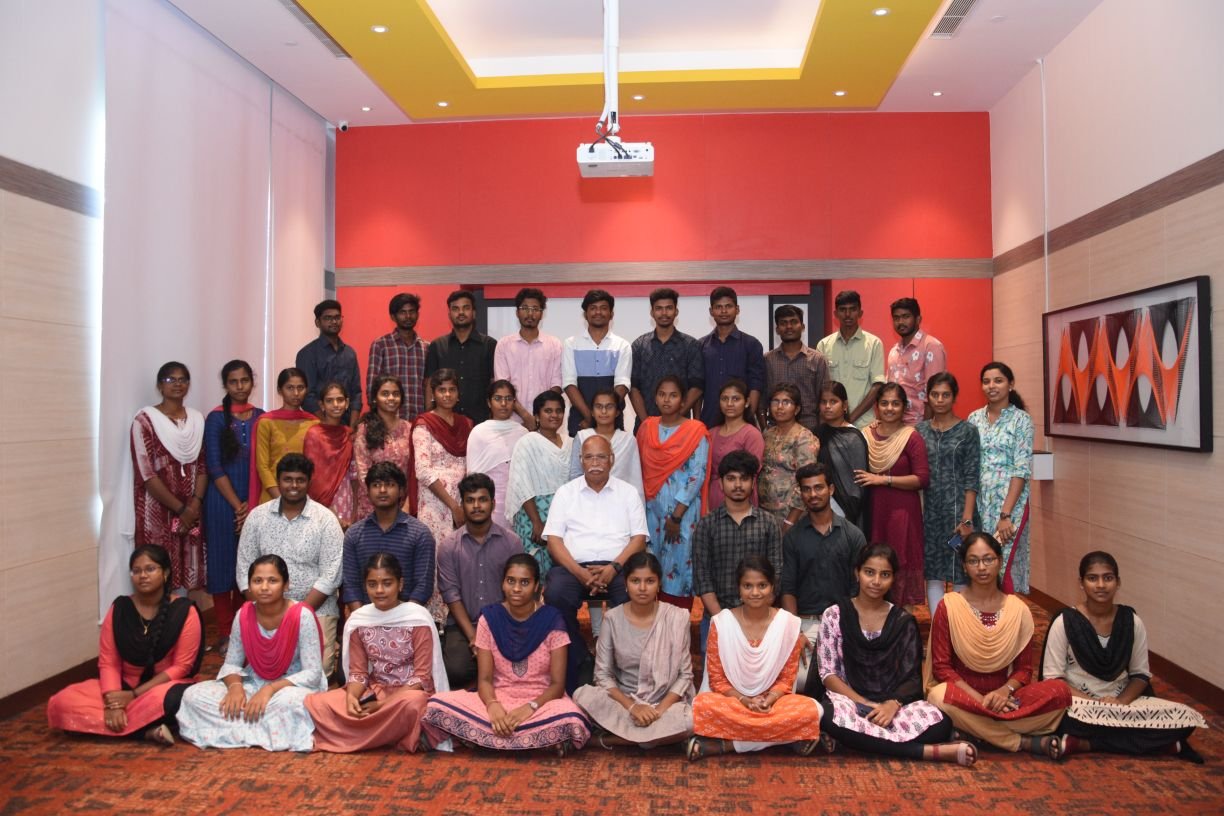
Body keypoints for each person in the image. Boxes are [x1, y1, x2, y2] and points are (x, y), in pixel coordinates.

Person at [815, 543, 973, 765]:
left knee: (940, 722)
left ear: (893, 579)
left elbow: (912, 679)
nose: (876, 581)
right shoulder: (834, 615)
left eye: (885, 575)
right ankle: (924, 751)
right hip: (849, 702)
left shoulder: (902, 621)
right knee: (828, 715)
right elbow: (828, 674)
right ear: (857, 573)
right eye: (869, 572)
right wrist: (864, 703)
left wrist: (891, 705)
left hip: (894, 706)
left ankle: (865, 739)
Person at [1040, 551, 1206, 762]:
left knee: (1185, 720)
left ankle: (1085, 743)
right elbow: (1053, 679)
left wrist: (1119, 703)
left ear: (1118, 582)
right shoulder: (1064, 622)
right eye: (1092, 578)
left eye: (1108, 578)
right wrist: (1097, 704)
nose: (1101, 585)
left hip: (1123, 704)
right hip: (1079, 705)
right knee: (1059, 719)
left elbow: (1140, 675)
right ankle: (1161, 745)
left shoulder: (1131, 621)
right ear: (1081, 583)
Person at [421, 554, 591, 754]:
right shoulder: (490, 618)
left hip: (541, 703)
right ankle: (536, 741)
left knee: (571, 718)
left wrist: (530, 707)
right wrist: (492, 706)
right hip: (498, 697)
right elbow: (485, 680)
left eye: (524, 582)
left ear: (537, 586)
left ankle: (482, 738)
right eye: (511, 581)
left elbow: (557, 685)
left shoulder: (553, 620)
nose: (516, 589)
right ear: (502, 584)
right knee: (436, 705)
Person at [924, 533, 1070, 756]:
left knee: (1060, 692)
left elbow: (1024, 670)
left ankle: (976, 730)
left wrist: (1003, 692)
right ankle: (1019, 741)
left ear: (1000, 561)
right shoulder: (950, 606)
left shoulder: (1018, 610)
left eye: (988, 559)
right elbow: (942, 667)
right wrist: (980, 700)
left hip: (1005, 699)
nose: (982, 567)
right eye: (973, 561)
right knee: (937, 696)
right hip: (963, 695)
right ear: (964, 566)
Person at [47, 545, 203, 745]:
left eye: (150, 569)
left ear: (165, 573)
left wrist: (134, 695)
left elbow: (182, 667)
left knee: (175, 700)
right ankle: (145, 731)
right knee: (63, 702)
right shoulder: (120, 608)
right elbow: (109, 662)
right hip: (123, 686)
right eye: (136, 571)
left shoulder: (184, 611)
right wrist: (113, 703)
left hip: (163, 687)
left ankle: (107, 726)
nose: (142, 576)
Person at [177, 555, 326, 751]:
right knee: (192, 695)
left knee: (292, 704)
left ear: (286, 585)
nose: (264, 587)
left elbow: (312, 673)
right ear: (249, 586)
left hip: (291, 686)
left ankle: (231, 730)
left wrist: (270, 690)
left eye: (272, 581)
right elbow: (232, 663)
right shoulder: (244, 614)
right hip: (254, 682)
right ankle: (263, 730)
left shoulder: (302, 615)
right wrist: (235, 688)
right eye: (257, 581)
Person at [307, 553, 449, 753]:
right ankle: (388, 734)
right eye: (372, 584)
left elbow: (422, 677)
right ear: (365, 586)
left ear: (400, 584)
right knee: (319, 702)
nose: (380, 590)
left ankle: (356, 733)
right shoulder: (359, 620)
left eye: (387, 583)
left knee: (414, 705)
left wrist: (382, 705)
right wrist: (352, 697)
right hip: (375, 690)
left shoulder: (417, 618)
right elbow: (358, 673)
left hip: (407, 694)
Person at [688, 555, 822, 759]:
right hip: (732, 700)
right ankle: (785, 737)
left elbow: (786, 680)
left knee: (813, 710)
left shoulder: (788, 624)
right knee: (702, 707)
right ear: (739, 589)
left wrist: (769, 699)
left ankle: (728, 745)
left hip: (773, 703)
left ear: (772, 588)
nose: (755, 593)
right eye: (748, 586)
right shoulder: (722, 623)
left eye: (762, 585)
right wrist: (744, 701)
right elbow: (717, 679)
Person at [544, 434, 649, 691]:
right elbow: (554, 542)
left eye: (601, 457)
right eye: (589, 457)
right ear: (581, 460)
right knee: (556, 593)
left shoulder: (628, 493)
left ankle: (623, 664)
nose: (595, 463)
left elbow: (638, 539)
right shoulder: (566, 493)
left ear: (611, 459)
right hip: (575, 568)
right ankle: (579, 656)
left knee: (635, 592)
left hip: (618, 566)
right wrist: (580, 573)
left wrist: (614, 568)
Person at [236, 453, 344, 676]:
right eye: (287, 479)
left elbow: (331, 576)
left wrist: (297, 615)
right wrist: (266, 610)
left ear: (309, 482)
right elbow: (244, 568)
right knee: (262, 670)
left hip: (315, 609)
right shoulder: (257, 517)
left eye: (300, 480)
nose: (294, 486)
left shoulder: (325, 520)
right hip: (265, 608)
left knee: (317, 673)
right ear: (278, 481)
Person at [573, 552, 695, 748]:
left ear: (659, 584)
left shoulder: (677, 617)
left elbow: (685, 675)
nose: (643, 588)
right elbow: (602, 675)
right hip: (625, 703)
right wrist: (633, 708)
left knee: (691, 719)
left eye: (650, 581)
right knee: (582, 696)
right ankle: (653, 740)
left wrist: (658, 712)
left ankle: (609, 740)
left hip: (664, 703)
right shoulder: (612, 619)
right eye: (635, 581)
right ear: (626, 584)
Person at [437, 473, 525, 688]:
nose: (476, 506)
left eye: (482, 500)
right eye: (470, 500)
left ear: (493, 504)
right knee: (455, 670)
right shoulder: (449, 546)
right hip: (464, 625)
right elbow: (451, 595)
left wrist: (499, 632)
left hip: (504, 622)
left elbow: (518, 592)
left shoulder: (511, 543)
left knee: (521, 664)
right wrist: (474, 637)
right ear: (462, 505)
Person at [781, 463, 864, 691]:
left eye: (818, 487)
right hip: (806, 624)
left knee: (850, 682)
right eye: (806, 489)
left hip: (843, 624)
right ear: (800, 493)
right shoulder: (793, 538)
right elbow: (787, 588)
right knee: (798, 683)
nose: (813, 494)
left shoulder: (852, 535)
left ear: (831, 489)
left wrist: (852, 628)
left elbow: (860, 589)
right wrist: (795, 632)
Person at [692, 451, 782, 652]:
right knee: (716, 672)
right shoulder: (707, 525)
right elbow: (702, 578)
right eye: (731, 479)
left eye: (744, 478)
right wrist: (723, 621)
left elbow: (776, 573)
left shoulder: (768, 523)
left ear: (753, 483)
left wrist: (756, 616)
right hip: (716, 618)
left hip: (759, 620)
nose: (738, 485)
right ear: (721, 483)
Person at [130, 361, 207, 593]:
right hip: (158, 510)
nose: (177, 384)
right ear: (159, 386)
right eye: (170, 379)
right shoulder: (145, 421)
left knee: (189, 574)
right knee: (157, 572)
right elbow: (146, 474)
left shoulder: (196, 420)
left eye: (182, 379)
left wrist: (194, 505)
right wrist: (181, 510)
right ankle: (160, 615)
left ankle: (183, 614)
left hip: (192, 508)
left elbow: (203, 467)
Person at [202, 360, 263, 648]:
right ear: (225, 385)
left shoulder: (262, 417)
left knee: (248, 564)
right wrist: (239, 506)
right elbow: (214, 466)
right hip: (221, 501)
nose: (240, 387)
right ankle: (225, 632)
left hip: (254, 501)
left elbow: (263, 465)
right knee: (221, 563)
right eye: (233, 382)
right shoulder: (216, 419)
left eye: (244, 381)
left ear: (252, 382)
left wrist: (250, 506)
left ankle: (243, 627)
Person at [854, 383, 929, 609]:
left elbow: (922, 479)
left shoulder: (911, 437)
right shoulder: (865, 435)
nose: (889, 408)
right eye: (884, 403)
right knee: (873, 563)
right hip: (873, 511)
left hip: (902, 512)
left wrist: (884, 480)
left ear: (904, 407)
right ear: (876, 407)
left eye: (895, 403)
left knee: (900, 561)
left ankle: (902, 622)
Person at [638, 375, 709, 609]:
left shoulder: (695, 431)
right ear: (655, 398)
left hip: (683, 514)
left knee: (678, 567)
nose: (667, 400)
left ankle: (677, 623)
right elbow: (639, 469)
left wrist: (677, 516)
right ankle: (650, 622)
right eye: (662, 394)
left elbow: (697, 475)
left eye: (673, 395)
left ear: (683, 401)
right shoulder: (647, 428)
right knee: (650, 566)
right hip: (652, 510)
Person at [410, 368, 474, 625]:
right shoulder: (424, 424)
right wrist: (453, 506)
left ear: (458, 394)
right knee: (437, 560)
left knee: (463, 559)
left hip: (465, 504)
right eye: (441, 390)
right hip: (436, 505)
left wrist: (465, 504)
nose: (447, 395)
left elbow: (472, 464)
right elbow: (423, 471)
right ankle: (436, 621)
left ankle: (461, 619)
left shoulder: (466, 424)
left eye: (452, 389)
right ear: (433, 394)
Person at [916, 372, 980, 614]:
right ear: (928, 397)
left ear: (954, 397)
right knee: (933, 572)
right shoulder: (919, 431)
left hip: (959, 511)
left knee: (960, 570)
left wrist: (967, 518)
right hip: (929, 512)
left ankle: (959, 627)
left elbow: (972, 476)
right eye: (935, 394)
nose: (940, 400)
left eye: (945, 395)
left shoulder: (968, 431)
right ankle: (938, 628)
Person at [968, 361, 1033, 594]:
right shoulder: (974, 418)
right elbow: (969, 465)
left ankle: (1006, 614)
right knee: (981, 561)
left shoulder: (1021, 420)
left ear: (1010, 384)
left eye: (998, 380)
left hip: (1010, 505)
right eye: (986, 381)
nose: (991, 386)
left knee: (1002, 564)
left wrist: (1006, 515)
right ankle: (983, 612)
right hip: (981, 503)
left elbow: (1021, 470)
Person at [341, 462, 436, 612]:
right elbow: (350, 585)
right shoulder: (354, 534)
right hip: (366, 616)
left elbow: (423, 586)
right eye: (376, 485)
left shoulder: (420, 533)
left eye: (390, 484)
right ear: (368, 492)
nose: (382, 490)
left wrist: (402, 619)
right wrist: (362, 618)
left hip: (407, 617)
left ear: (401, 491)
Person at [506, 391, 573, 574]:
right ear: (537, 415)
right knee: (535, 571)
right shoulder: (527, 442)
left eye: (559, 411)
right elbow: (522, 483)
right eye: (548, 411)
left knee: (564, 571)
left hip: (565, 515)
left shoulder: (572, 443)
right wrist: (537, 522)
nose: (554, 415)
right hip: (534, 515)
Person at [629, 287, 704, 428]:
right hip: (645, 425)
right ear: (652, 312)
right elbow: (633, 388)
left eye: (669, 308)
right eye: (659, 308)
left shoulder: (691, 345)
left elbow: (696, 387)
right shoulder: (639, 345)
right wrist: (647, 423)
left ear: (676, 311)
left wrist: (674, 418)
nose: (664, 313)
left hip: (681, 427)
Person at [562, 289, 632, 436]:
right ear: (585, 314)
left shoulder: (622, 346)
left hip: (613, 423)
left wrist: (604, 417)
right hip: (581, 421)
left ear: (611, 314)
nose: (598, 312)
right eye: (593, 308)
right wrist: (590, 417)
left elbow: (622, 384)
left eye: (603, 308)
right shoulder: (571, 344)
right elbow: (569, 384)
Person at [493, 287, 563, 427]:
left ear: (542, 314)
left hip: (545, 423)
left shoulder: (554, 345)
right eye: (525, 308)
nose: (530, 313)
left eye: (535, 309)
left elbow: (556, 385)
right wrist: (526, 416)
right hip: (512, 422)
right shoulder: (504, 345)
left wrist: (540, 416)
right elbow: (503, 386)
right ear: (517, 312)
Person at [425, 289, 497, 424]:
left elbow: (494, 383)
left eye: (466, 308)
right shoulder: (437, 346)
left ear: (474, 313)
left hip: (481, 421)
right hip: (444, 421)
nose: (461, 313)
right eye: (455, 309)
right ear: (449, 314)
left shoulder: (489, 345)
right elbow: (430, 384)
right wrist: (429, 418)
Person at [249, 367, 318, 506]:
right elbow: (262, 466)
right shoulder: (267, 422)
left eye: (300, 388)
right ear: (280, 390)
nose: (296, 393)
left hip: (303, 497)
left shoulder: (313, 423)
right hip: (272, 497)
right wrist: (281, 499)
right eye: (290, 388)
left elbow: (315, 466)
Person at [816, 290, 885, 430]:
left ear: (860, 313)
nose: (847, 314)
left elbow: (877, 386)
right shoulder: (823, 345)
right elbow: (821, 389)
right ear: (836, 314)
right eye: (843, 310)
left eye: (853, 309)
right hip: (831, 426)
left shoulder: (874, 344)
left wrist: (849, 420)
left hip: (864, 425)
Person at [697, 287, 765, 428]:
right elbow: (697, 387)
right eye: (718, 307)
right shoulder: (700, 346)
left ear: (737, 309)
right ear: (711, 311)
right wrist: (696, 423)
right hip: (708, 420)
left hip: (741, 422)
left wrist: (747, 417)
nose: (724, 311)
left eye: (728, 306)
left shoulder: (751, 344)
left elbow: (756, 384)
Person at [466, 380, 530, 529]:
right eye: (498, 398)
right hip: (490, 500)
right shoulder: (479, 432)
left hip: (520, 502)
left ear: (514, 402)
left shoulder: (523, 433)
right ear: (489, 402)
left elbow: (527, 475)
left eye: (508, 399)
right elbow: (473, 475)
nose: (503, 403)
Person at [759, 382, 819, 529]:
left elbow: (806, 481)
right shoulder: (768, 434)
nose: (780, 407)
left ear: (797, 409)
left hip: (791, 514)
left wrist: (790, 521)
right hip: (765, 511)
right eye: (775, 401)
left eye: (786, 402)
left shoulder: (803, 437)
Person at [568, 388, 644, 501]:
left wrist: (638, 503)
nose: (604, 411)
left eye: (609, 407)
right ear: (592, 412)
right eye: (598, 407)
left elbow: (635, 477)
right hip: (588, 499)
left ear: (617, 412)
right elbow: (575, 474)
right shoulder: (582, 436)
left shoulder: (628, 440)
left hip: (621, 500)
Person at [353, 375, 413, 518]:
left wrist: (406, 502)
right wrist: (382, 496)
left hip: (402, 505)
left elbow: (413, 472)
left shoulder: (409, 428)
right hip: (372, 506)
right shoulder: (365, 429)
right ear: (375, 398)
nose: (391, 398)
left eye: (396, 394)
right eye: (385, 394)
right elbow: (363, 472)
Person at [762, 305, 828, 433]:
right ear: (777, 329)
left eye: (794, 322)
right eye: (783, 323)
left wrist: (821, 434)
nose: (789, 327)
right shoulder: (767, 360)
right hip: (776, 431)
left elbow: (824, 400)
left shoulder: (818, 360)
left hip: (810, 429)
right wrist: (765, 430)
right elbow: (762, 402)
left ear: (802, 326)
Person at [296, 299, 362, 424]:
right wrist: (326, 423)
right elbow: (307, 395)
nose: (334, 321)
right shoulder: (307, 354)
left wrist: (353, 426)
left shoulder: (350, 353)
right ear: (317, 322)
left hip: (347, 425)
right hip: (319, 424)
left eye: (337, 317)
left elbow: (356, 393)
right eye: (328, 318)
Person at [814, 381, 869, 530]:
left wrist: (849, 508)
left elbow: (859, 481)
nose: (827, 406)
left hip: (848, 509)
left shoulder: (853, 437)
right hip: (819, 502)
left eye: (833, 401)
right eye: (823, 402)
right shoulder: (816, 433)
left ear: (844, 405)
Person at [366, 292, 428, 421]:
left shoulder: (427, 347)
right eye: (402, 312)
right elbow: (372, 387)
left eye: (412, 311)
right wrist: (378, 421)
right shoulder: (381, 345)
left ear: (417, 314)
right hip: (389, 421)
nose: (408, 316)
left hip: (419, 421)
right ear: (393, 317)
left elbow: (429, 387)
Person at [302, 382, 355, 528]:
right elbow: (312, 476)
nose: (336, 405)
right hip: (321, 504)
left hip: (345, 499)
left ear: (347, 403)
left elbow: (353, 475)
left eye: (340, 400)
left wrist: (355, 511)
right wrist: (329, 510)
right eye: (330, 401)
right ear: (322, 405)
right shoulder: (314, 434)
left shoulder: (348, 434)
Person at [706, 379, 764, 509]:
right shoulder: (711, 433)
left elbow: (752, 472)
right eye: (724, 399)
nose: (729, 404)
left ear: (747, 402)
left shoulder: (752, 434)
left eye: (736, 399)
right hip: (711, 496)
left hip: (740, 497)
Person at [887, 298, 947, 425]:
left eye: (906, 316)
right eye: (896, 318)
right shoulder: (894, 351)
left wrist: (925, 430)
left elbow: (935, 394)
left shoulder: (931, 347)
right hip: (895, 426)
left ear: (918, 319)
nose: (900, 322)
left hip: (920, 425)